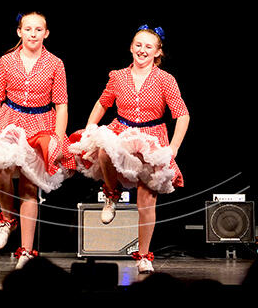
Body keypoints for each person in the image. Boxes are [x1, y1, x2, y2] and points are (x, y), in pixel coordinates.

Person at [68, 24, 189, 274]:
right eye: (138, 45)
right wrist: (90, 127)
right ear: (131, 47)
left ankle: (144, 256)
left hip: (151, 137)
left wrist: (174, 146)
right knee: (104, 149)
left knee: (146, 200)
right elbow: (103, 103)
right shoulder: (118, 76)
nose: (142, 50)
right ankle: (112, 194)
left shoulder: (166, 80)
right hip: (122, 130)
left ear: (158, 52)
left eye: (148, 47)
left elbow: (183, 114)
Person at [0, 12, 73, 269]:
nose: (33, 34)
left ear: (46, 33)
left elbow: (61, 105)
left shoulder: (55, 63)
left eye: (38, 29)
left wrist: (58, 138)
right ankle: (7, 219)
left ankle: (25, 251)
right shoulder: (7, 61)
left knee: (29, 185)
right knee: (1, 168)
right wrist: (2, 126)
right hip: (10, 120)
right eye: (28, 29)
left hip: (41, 123)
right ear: (20, 32)